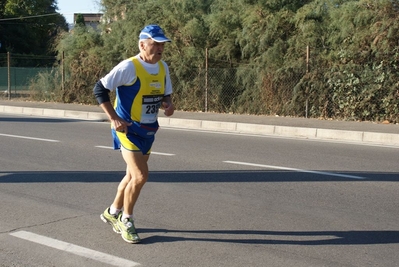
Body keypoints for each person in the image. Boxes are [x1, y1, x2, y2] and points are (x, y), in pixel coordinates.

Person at [93, 24, 174, 244]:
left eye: (162, 44)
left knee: (131, 176)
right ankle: (126, 220)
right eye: (155, 43)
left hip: (148, 130)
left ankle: (113, 211)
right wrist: (114, 118)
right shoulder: (129, 67)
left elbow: (165, 94)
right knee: (140, 176)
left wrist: (168, 104)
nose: (159, 48)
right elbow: (99, 89)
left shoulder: (162, 67)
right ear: (142, 44)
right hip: (127, 129)